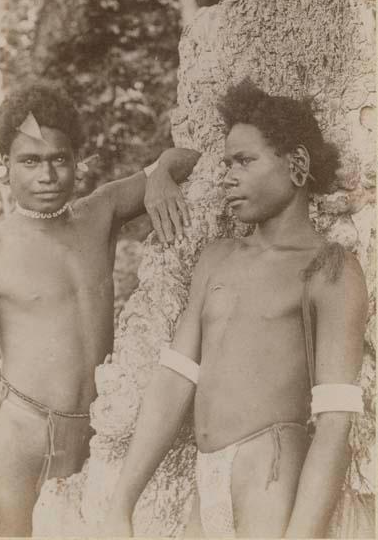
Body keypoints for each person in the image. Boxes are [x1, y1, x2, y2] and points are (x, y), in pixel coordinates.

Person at [104, 79, 368, 538]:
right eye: (227, 162)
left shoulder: (330, 268)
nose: (228, 175)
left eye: (245, 161)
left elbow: (334, 423)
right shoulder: (216, 259)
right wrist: (121, 503)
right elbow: (173, 381)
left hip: (268, 474)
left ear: (298, 164)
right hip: (206, 482)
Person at [0, 81, 199, 537]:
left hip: (96, 430)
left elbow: (190, 160)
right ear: (2, 167)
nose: (47, 175)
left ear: (76, 162)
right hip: (20, 440)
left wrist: (164, 171)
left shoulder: (99, 213)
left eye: (58, 159)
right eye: (29, 161)